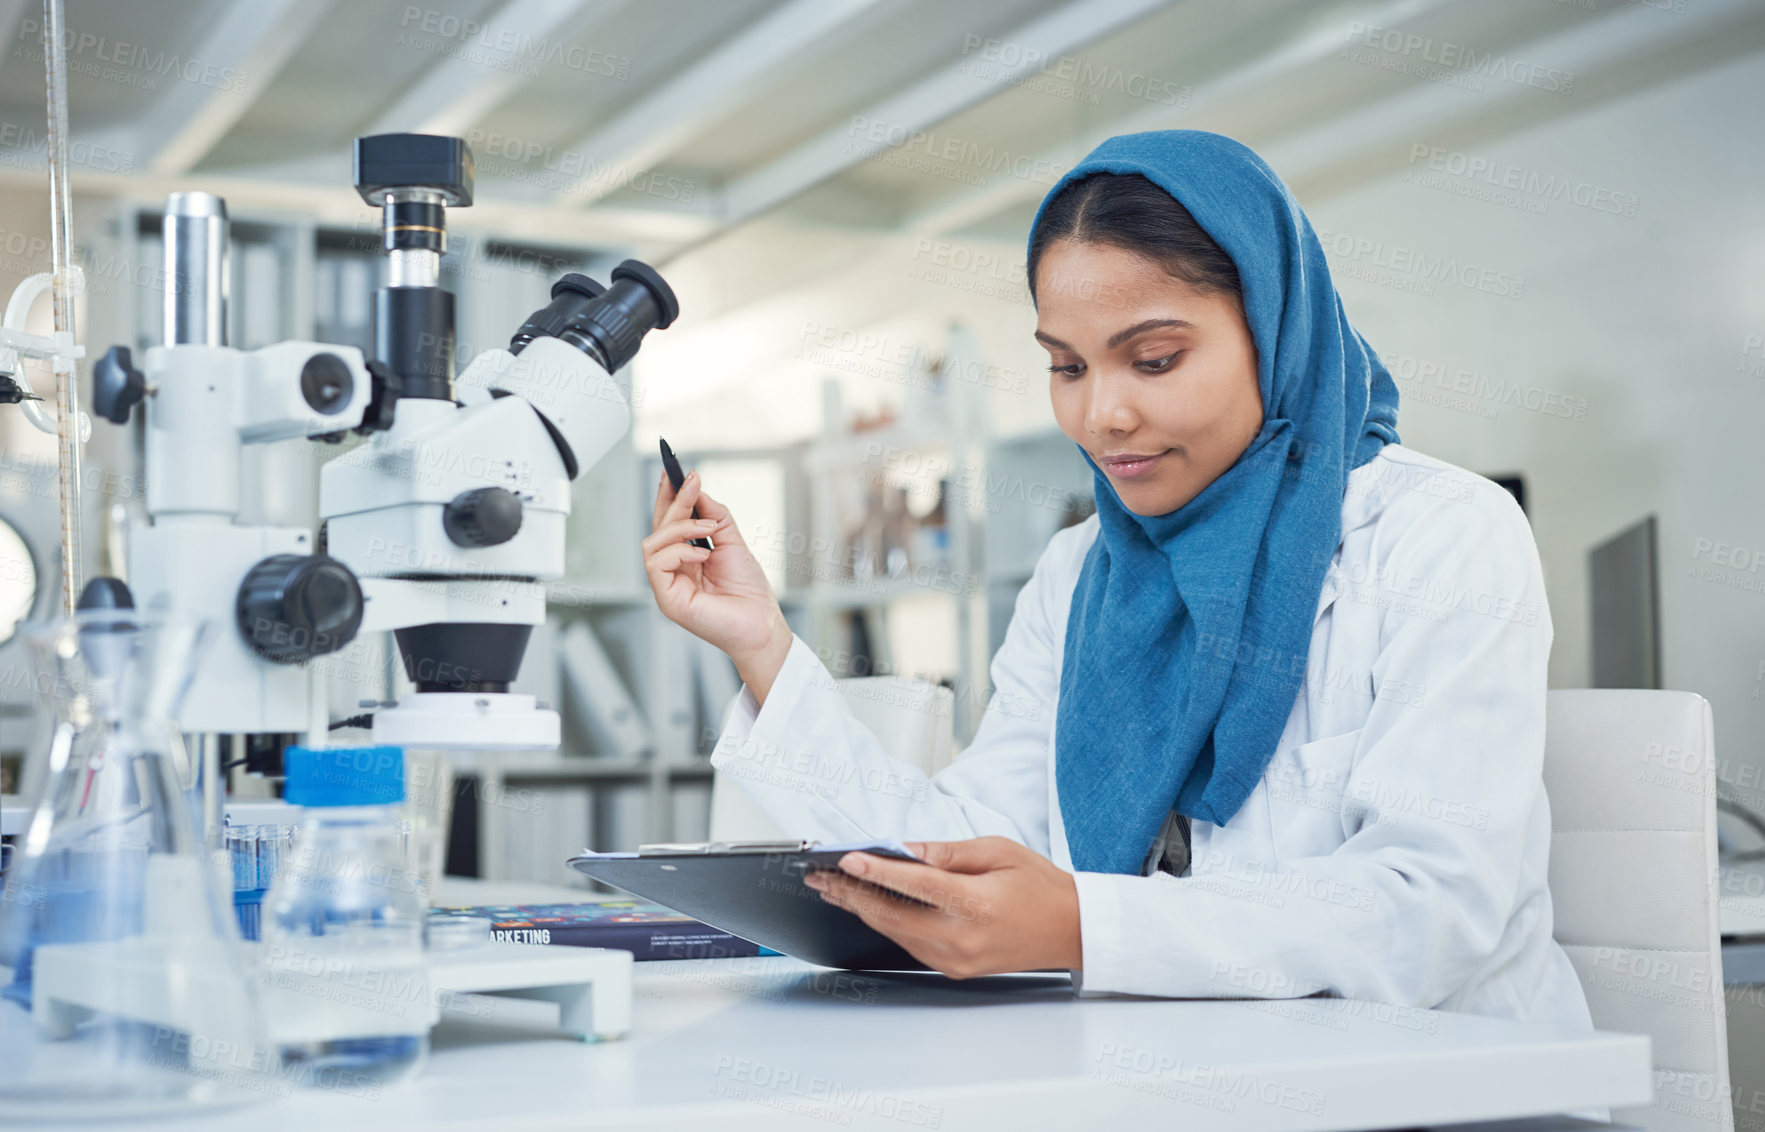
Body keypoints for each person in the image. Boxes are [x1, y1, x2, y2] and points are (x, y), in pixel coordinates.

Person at [641, 129, 1593, 1028]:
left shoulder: (1440, 536)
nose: (1103, 416)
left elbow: (1433, 912)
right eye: (1065, 367)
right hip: (1166, 1075)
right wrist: (760, 644)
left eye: (1154, 359)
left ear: (1274, 327)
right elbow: (969, 843)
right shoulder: (1079, 572)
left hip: (1449, 1089)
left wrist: (1082, 927)